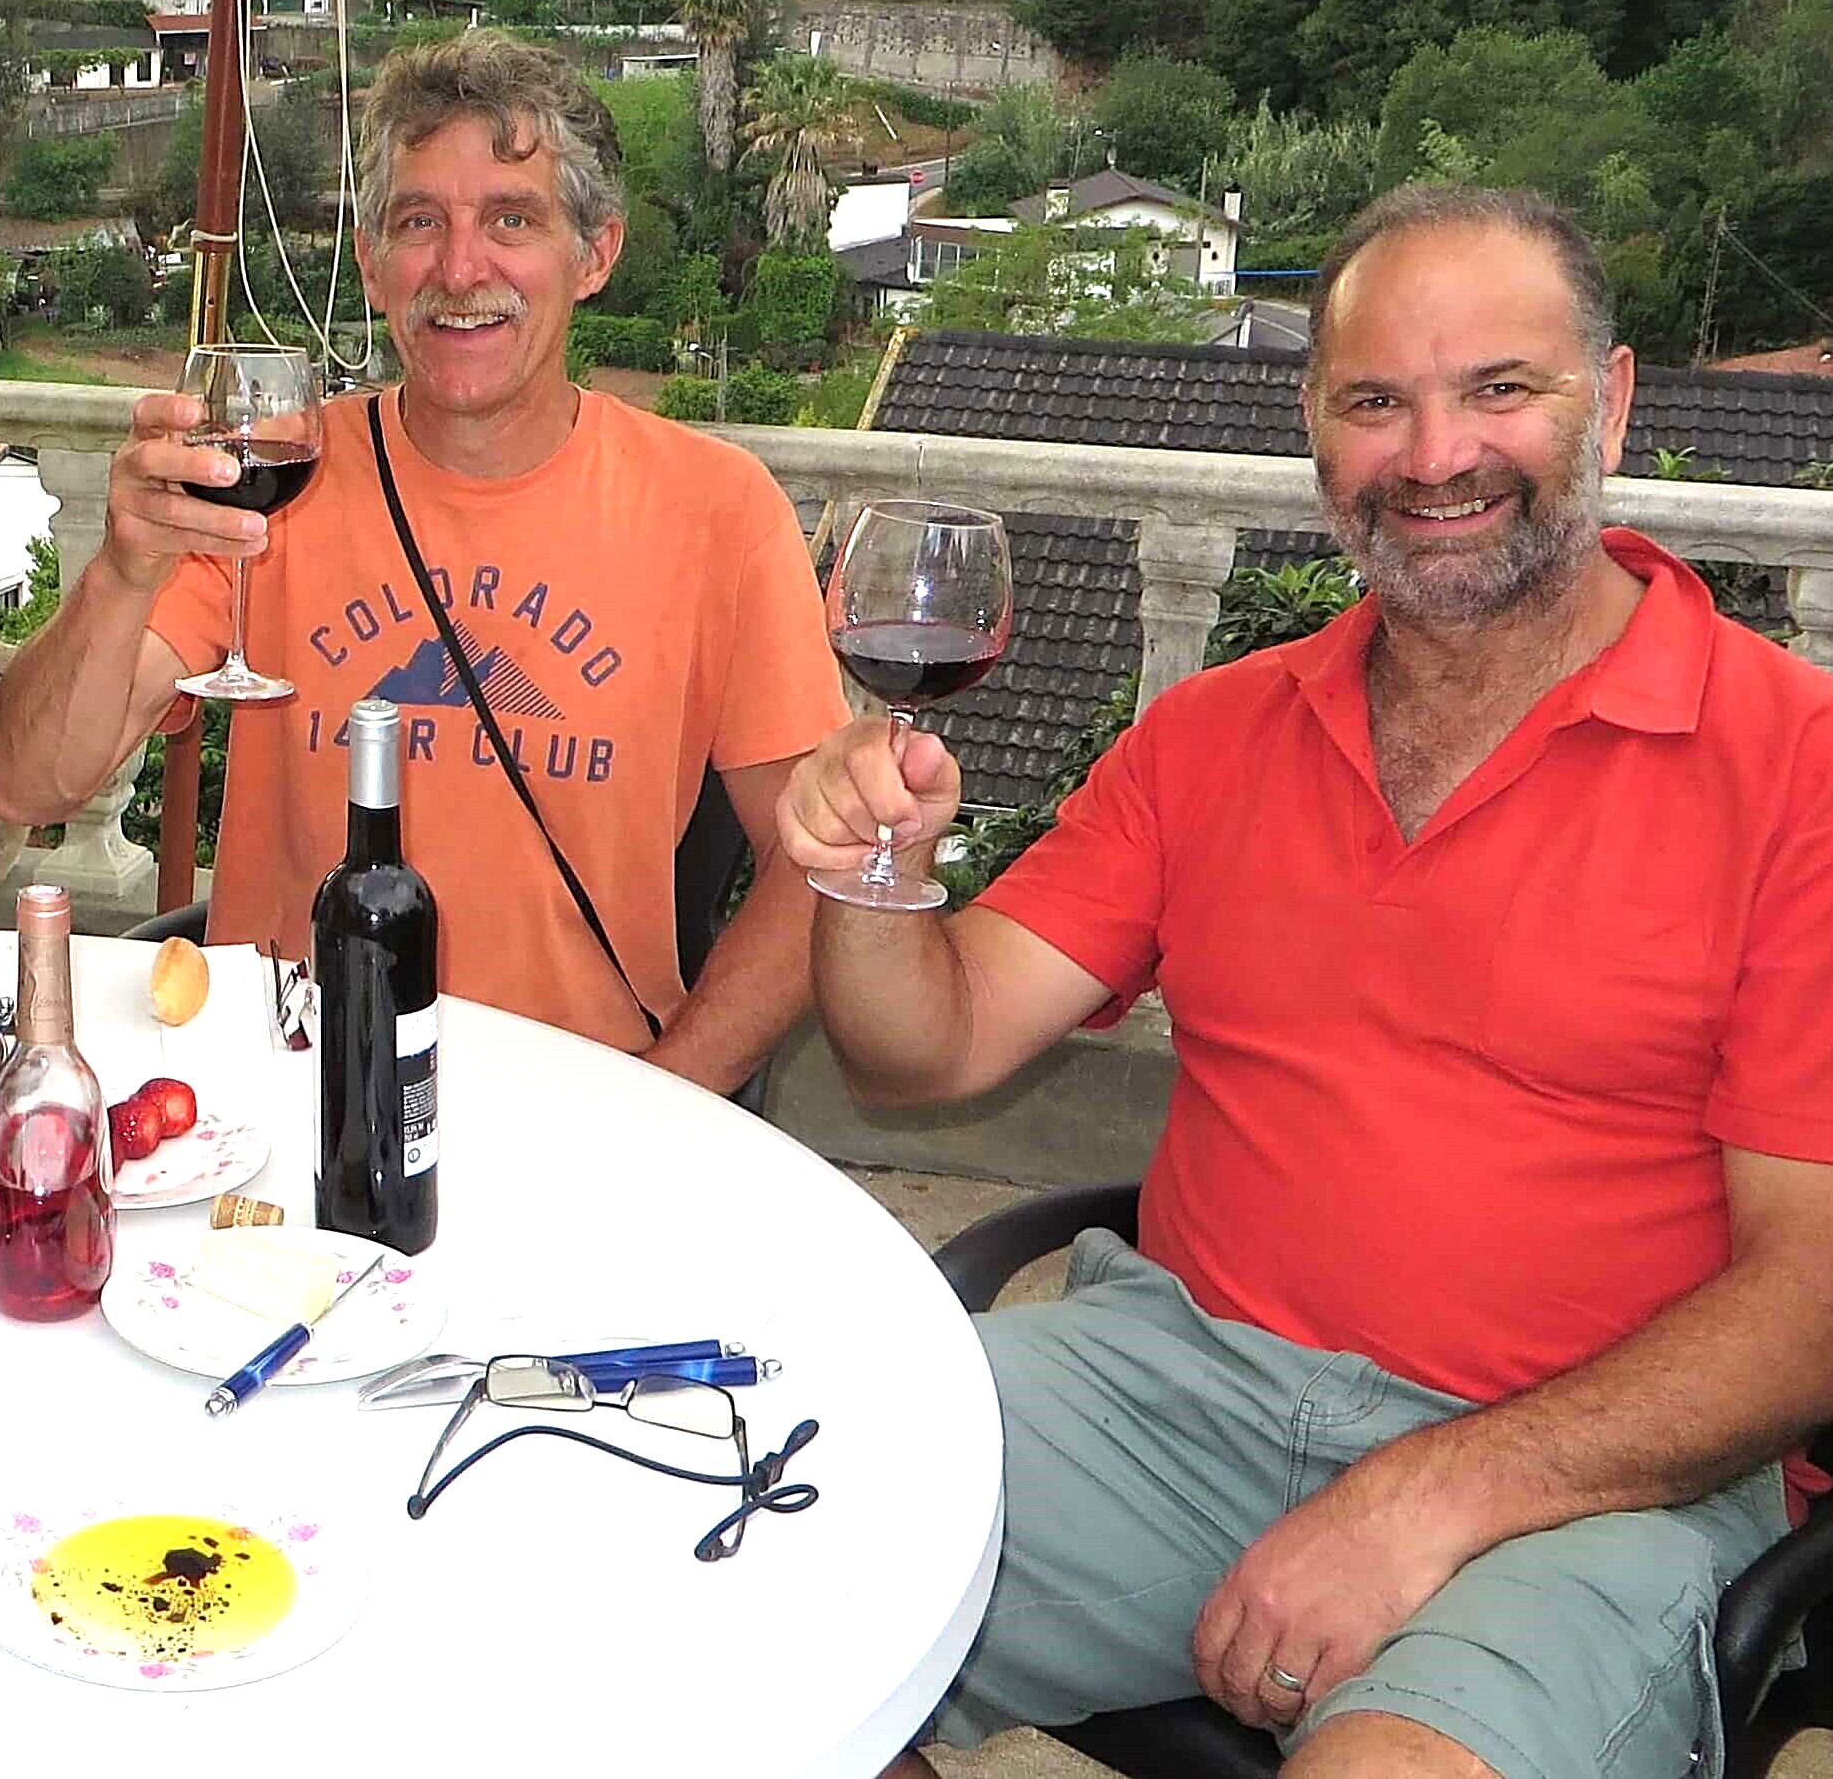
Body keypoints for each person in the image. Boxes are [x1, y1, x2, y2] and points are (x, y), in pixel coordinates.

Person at [780, 186, 1833, 1779]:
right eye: (1373, 401)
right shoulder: (1213, 734)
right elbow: (920, 1049)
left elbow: (1809, 1297)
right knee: (728, 1574)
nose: (1433, 455)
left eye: (1497, 387)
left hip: (1594, 1482)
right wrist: (868, 869)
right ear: (1313, 429)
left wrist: (1430, 1495)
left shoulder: (1793, 768)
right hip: (1173, 1386)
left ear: (1608, 402)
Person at [0, 30, 845, 1084]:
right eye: (418, 221)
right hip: (290, 1089)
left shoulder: (717, 513)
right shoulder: (271, 485)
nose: (459, 268)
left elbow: (821, 865)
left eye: (511, 219)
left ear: (595, 255)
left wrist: (670, 1096)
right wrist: (123, 573)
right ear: (369, 261)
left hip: (580, 1098)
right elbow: (30, 783)